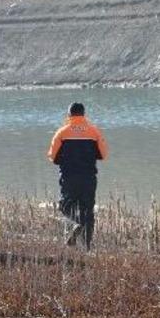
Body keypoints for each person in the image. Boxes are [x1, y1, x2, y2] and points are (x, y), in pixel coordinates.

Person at [48, 102, 108, 250]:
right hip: (88, 178)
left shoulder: (61, 132)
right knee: (88, 211)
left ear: (69, 115)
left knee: (65, 207)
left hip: (69, 177)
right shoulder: (94, 132)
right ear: (83, 114)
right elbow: (103, 155)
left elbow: (52, 157)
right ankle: (87, 247)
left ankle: (76, 225)